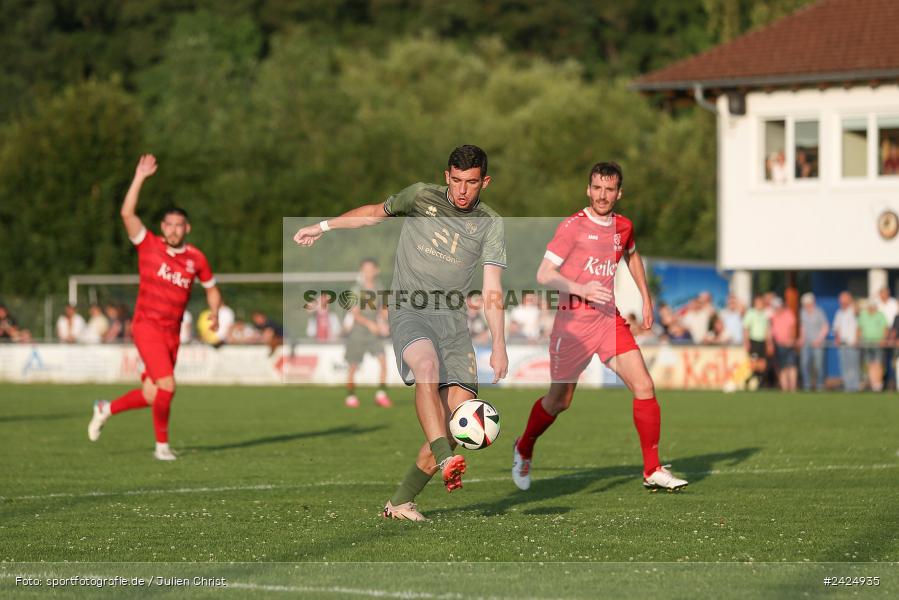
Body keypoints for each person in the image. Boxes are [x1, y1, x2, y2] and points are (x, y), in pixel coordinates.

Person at [294, 144, 508, 521]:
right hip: (411, 309)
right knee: (426, 368)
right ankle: (446, 459)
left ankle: (401, 503)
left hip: (454, 325)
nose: (462, 190)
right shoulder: (421, 196)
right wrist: (323, 226)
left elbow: (492, 288)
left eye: (471, 183)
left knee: (455, 423)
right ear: (446, 176)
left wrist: (499, 344)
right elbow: (372, 215)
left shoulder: (490, 224)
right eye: (456, 181)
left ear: (484, 182)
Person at [511, 161, 687, 493]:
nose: (602, 195)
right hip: (573, 327)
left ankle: (652, 469)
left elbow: (632, 256)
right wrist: (581, 289)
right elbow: (544, 274)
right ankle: (524, 446)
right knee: (559, 401)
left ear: (619, 193)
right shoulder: (572, 227)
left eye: (609, 189)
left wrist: (646, 300)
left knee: (644, 386)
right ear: (588, 189)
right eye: (597, 188)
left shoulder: (623, 226)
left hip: (608, 321)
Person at [87, 154, 222, 461]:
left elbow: (213, 290)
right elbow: (126, 213)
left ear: (187, 228)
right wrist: (139, 177)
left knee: (152, 395)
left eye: (180, 225)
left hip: (172, 333)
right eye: (169, 225)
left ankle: (104, 409)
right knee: (168, 385)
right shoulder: (149, 244)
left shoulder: (196, 259)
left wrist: (214, 311)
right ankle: (161, 446)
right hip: (146, 326)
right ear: (163, 226)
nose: (174, 230)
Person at [342, 258, 392, 408]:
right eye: (365, 269)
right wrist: (370, 324)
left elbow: (383, 309)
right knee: (353, 366)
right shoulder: (356, 289)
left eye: (370, 269)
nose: (368, 272)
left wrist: (384, 323)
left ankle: (381, 395)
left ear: (377, 271)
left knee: (383, 362)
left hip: (374, 332)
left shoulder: (380, 287)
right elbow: (355, 313)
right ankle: (351, 396)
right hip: (358, 331)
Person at [798, 292, 829, 391]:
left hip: (818, 344)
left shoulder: (819, 312)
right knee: (804, 364)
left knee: (818, 365)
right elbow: (802, 327)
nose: (807, 305)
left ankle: (820, 385)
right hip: (806, 344)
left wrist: (819, 340)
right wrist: (801, 339)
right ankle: (807, 385)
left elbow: (825, 327)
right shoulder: (802, 312)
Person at [857, 299, 888, 391]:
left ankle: (878, 384)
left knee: (878, 363)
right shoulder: (863, 315)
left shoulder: (880, 315)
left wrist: (884, 339)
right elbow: (859, 328)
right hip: (866, 343)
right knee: (870, 364)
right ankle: (873, 384)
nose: (871, 308)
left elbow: (885, 328)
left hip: (878, 343)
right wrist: (858, 339)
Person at [742, 294, 772, 390]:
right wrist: (746, 342)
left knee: (763, 365)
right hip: (753, 341)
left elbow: (767, 330)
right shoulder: (750, 313)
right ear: (755, 303)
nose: (760, 304)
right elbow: (746, 329)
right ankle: (753, 380)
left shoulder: (765, 314)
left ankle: (757, 381)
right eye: (758, 302)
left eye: (761, 302)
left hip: (762, 341)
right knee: (754, 364)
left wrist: (769, 343)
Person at [832, 291, 860, 392]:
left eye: (844, 299)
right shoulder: (839, 313)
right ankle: (848, 387)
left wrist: (857, 339)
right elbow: (836, 328)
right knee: (844, 367)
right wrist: (837, 339)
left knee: (853, 366)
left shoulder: (853, 310)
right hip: (842, 344)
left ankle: (854, 387)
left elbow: (858, 326)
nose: (842, 302)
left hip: (852, 343)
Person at [769, 297, 798, 391]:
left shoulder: (788, 314)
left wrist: (792, 340)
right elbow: (771, 331)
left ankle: (792, 388)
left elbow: (793, 328)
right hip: (779, 345)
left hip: (789, 345)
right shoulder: (773, 316)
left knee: (791, 366)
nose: (777, 309)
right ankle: (785, 388)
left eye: (778, 307)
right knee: (782, 367)